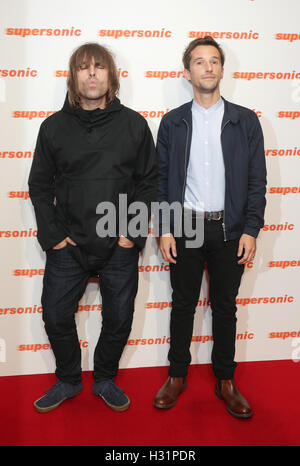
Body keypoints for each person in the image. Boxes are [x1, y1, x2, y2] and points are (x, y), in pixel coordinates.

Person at [28, 42, 157, 413]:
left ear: (111, 76)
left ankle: (104, 378)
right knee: (54, 313)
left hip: (119, 244)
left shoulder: (134, 125)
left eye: (99, 67)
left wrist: (130, 235)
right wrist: (53, 238)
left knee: (119, 317)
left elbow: (148, 183)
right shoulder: (52, 127)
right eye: (84, 67)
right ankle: (68, 380)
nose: (92, 74)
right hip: (68, 243)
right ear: (73, 76)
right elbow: (39, 186)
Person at [154, 36, 266, 418]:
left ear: (222, 69)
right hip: (185, 227)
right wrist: (165, 228)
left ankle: (225, 380)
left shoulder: (245, 119)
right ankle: (177, 375)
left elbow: (256, 180)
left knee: (225, 307)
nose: (207, 67)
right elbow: (162, 181)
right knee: (182, 304)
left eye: (214, 61)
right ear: (187, 73)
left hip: (229, 229)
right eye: (199, 62)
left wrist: (251, 229)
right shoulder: (172, 121)